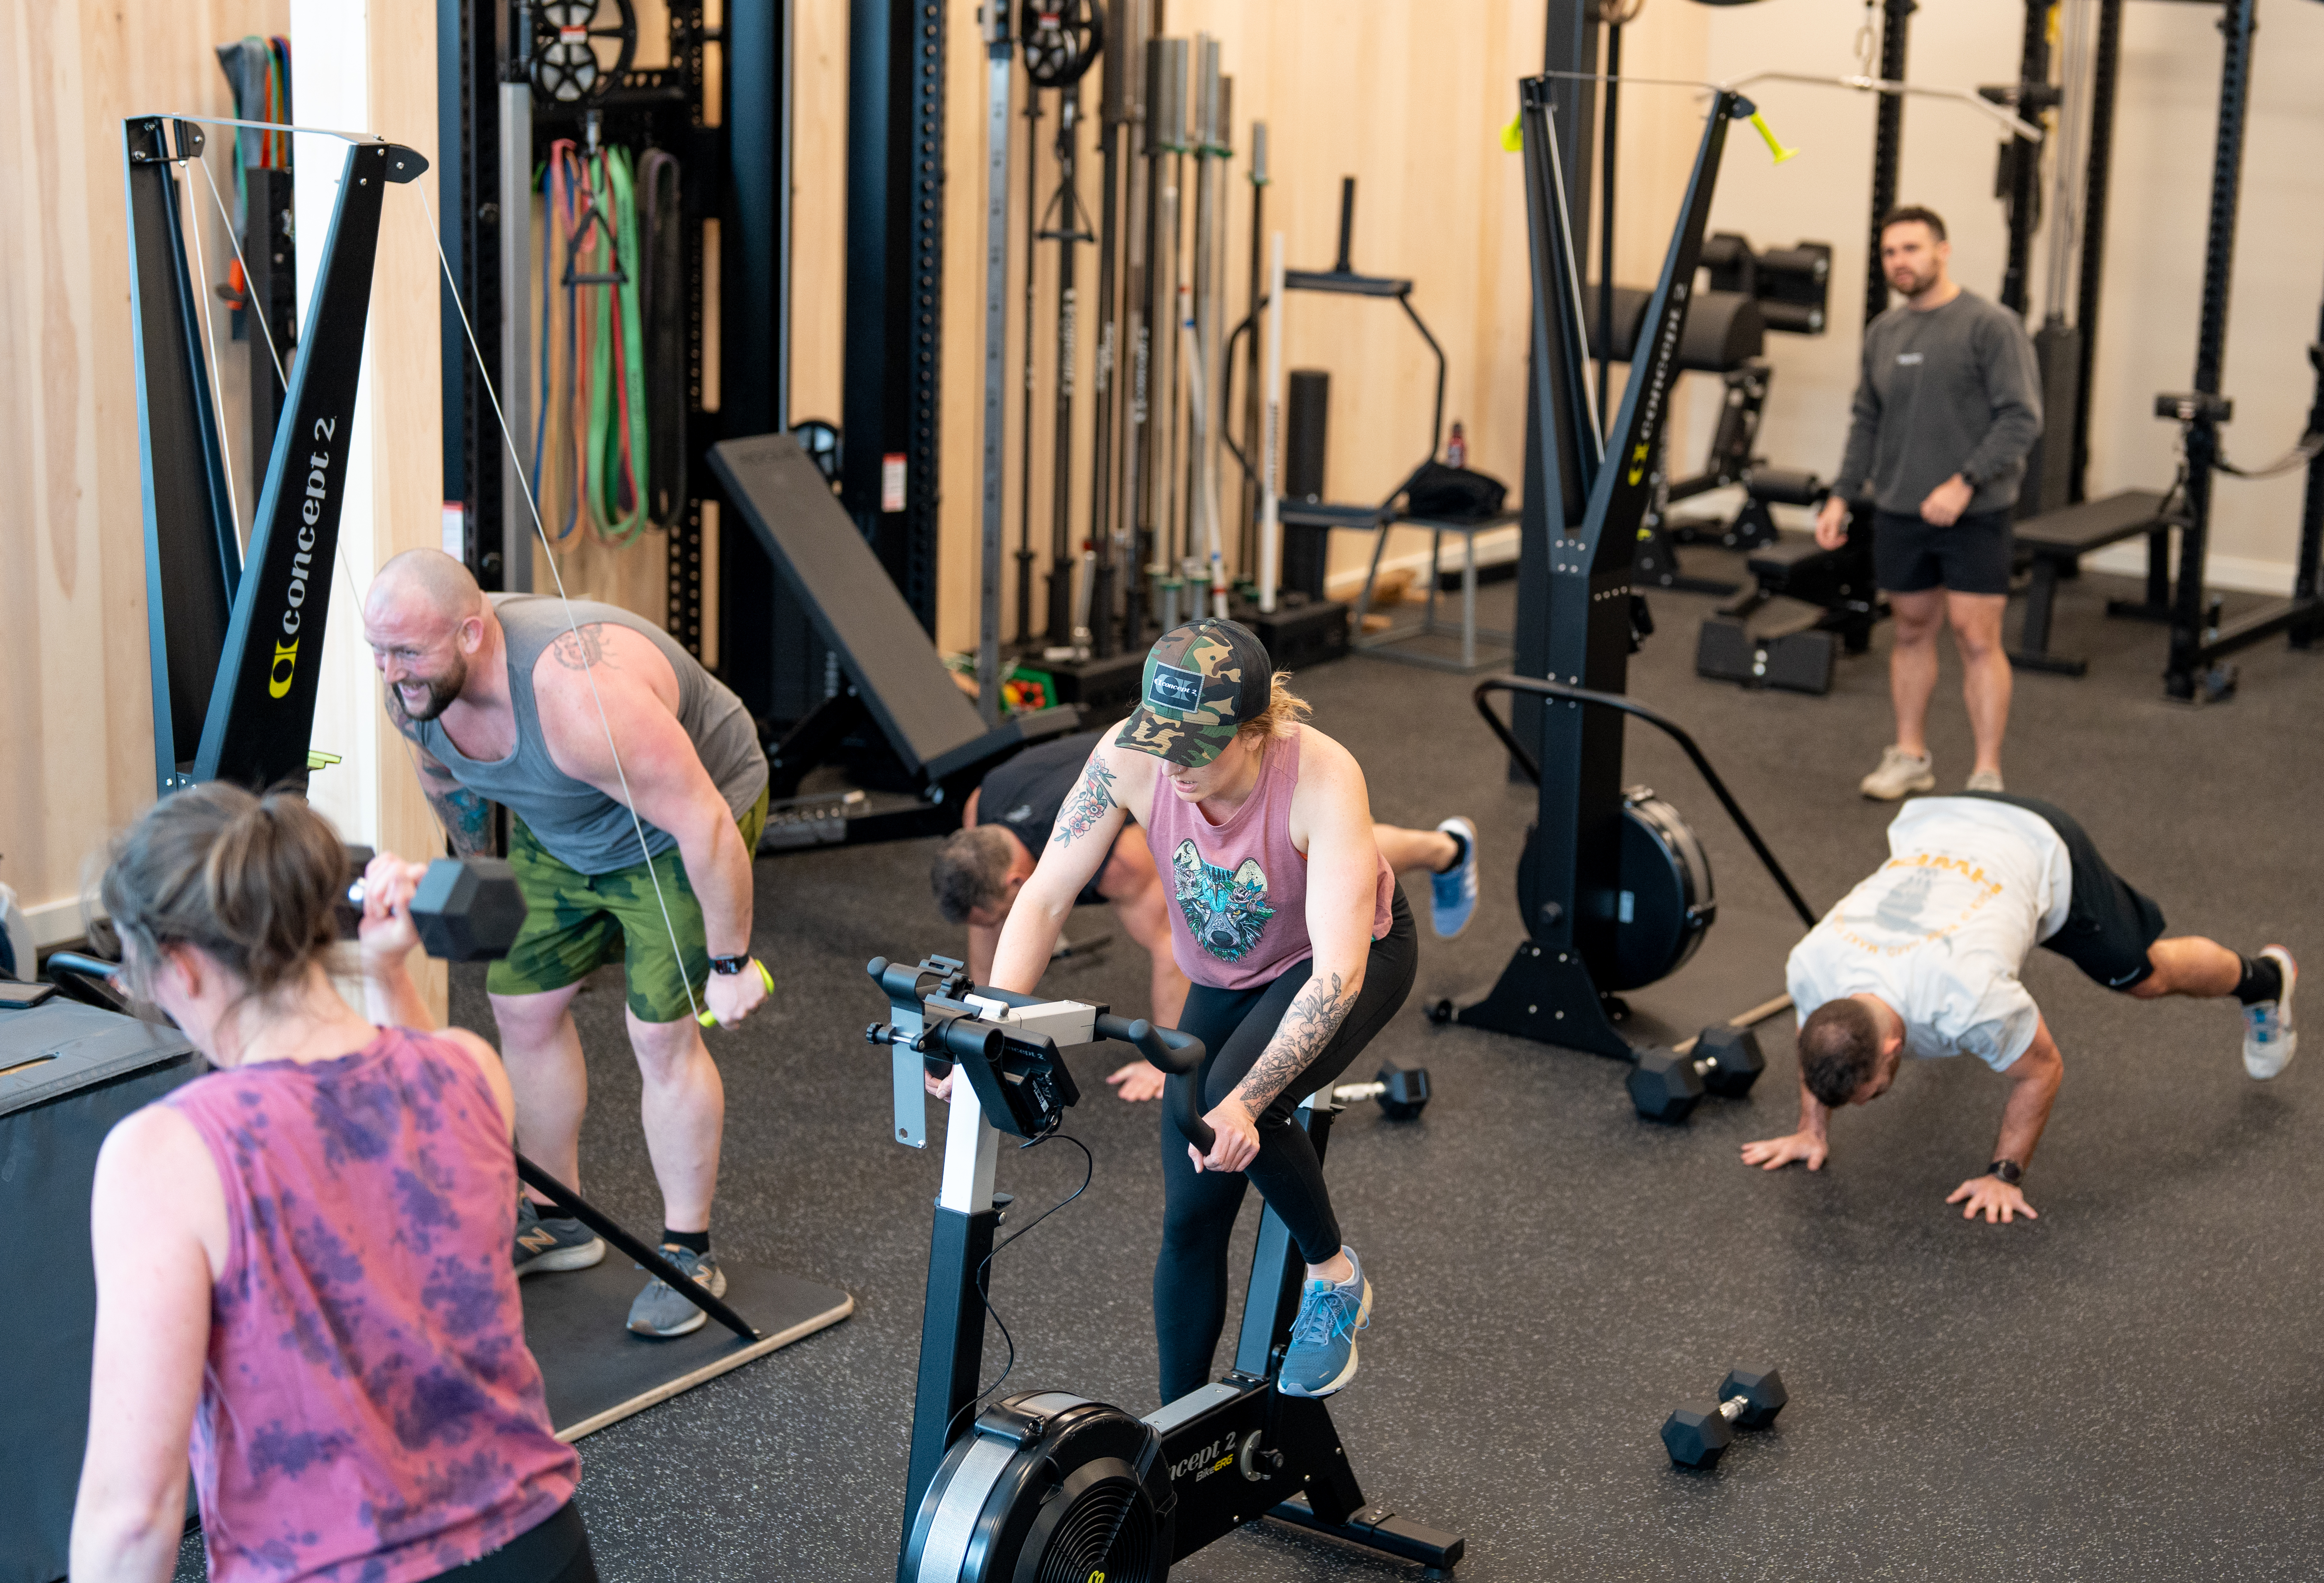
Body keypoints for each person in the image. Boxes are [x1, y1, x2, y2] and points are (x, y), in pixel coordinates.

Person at [70, 784, 595, 1583]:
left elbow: (133, 1513)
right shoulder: (469, 1070)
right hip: (536, 1547)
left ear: (180, 967)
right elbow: (427, 1147)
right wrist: (389, 974)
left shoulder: (164, 1154)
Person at [963, 619, 1416, 1403]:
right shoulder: (1128, 757)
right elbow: (1044, 894)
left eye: (1195, 747)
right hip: (1229, 967)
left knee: (1229, 1103)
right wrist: (988, 1025)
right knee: (1190, 1214)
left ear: (1252, 730)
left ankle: (1335, 1277)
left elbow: (1337, 974)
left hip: (1341, 957)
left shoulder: (1321, 777)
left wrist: (1246, 1102)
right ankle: (1176, 1430)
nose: (1171, 765)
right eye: (1159, 739)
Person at [361, 549, 770, 1338]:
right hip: (564, 831)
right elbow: (444, 776)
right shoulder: (415, 693)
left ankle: (689, 1251)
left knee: (659, 1033)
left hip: (676, 830)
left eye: (408, 651)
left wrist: (732, 962)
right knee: (519, 1006)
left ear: (474, 634)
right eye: (379, 651)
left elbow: (705, 823)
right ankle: (560, 1217)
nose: (391, 671)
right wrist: (480, 879)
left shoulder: (580, 698)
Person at [1741, 792, 2298, 1223]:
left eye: (1870, 1093)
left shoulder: (1967, 998)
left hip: (2039, 842)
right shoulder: (1812, 967)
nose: (1863, 1106)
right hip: (1946, 824)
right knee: (1991, 1014)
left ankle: (2264, 980)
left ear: (1893, 1048)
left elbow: (2043, 1071)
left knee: (2144, 976)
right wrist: (1810, 1130)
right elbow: (1814, 1043)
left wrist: (2003, 1175)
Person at [930, 729, 1478, 1102]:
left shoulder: (1118, 862)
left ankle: (1445, 851)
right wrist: (986, 1028)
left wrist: (1158, 1058)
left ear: (1014, 880)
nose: (990, 926)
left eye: (996, 909)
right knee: (1322, 856)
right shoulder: (980, 812)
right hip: (1109, 771)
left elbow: (1172, 948)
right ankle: (1441, 848)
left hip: (1199, 775)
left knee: (1317, 860)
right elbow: (1001, 922)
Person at [1815, 206, 2043, 799]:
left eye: (1911, 249)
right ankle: (1910, 755)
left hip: (1974, 512)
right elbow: (1866, 419)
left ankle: (1986, 773)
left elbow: (2022, 418)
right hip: (1899, 508)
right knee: (1911, 631)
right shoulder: (1883, 334)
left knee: (1975, 637)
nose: (1900, 262)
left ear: (1942, 251)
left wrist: (1965, 480)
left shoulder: (1988, 326)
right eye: (1890, 252)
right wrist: (1841, 495)